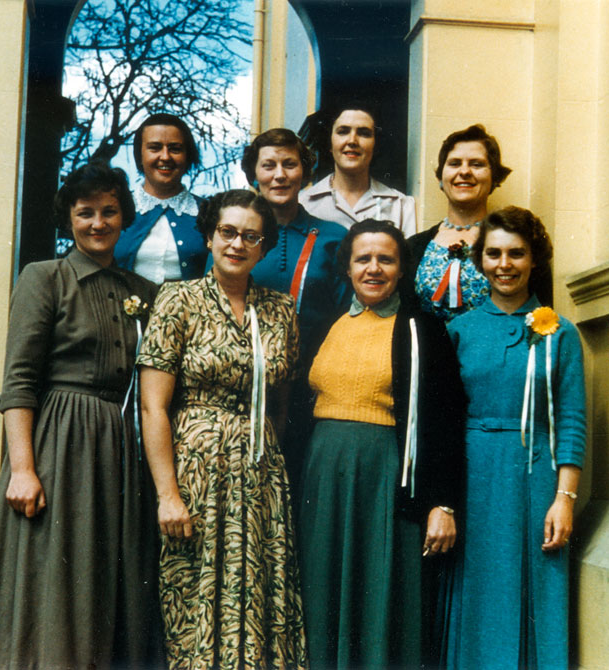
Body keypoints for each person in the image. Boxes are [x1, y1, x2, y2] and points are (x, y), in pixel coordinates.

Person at [0, 161, 162, 669]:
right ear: (69, 219)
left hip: (120, 450)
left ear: (124, 217)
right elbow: (20, 380)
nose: (98, 223)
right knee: (54, 575)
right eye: (86, 213)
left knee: (107, 578)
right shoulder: (45, 278)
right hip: (60, 443)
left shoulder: (144, 293)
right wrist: (23, 468)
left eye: (110, 212)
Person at [138, 189, 308, 669]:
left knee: (260, 592)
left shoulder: (280, 310)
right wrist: (167, 493)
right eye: (227, 232)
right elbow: (154, 408)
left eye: (250, 236)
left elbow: (280, 404)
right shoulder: (178, 300)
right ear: (210, 236)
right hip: (195, 472)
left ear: (263, 245)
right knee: (195, 595)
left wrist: (260, 455)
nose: (237, 244)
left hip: (260, 475)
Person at [298, 219, 466, 668]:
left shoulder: (421, 330)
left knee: (381, 596)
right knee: (324, 591)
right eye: (363, 259)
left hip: (384, 478)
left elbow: (446, 421)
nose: (374, 269)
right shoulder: (329, 324)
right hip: (324, 474)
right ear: (347, 267)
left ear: (402, 268)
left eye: (386, 259)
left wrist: (443, 503)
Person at [445, 206, 585, 669]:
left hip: (536, 474)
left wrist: (564, 497)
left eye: (517, 254)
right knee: (480, 587)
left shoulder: (559, 332)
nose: (504, 264)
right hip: (473, 473)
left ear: (534, 259)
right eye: (494, 253)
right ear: (480, 260)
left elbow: (572, 418)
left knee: (536, 584)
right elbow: (443, 420)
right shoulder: (458, 330)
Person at [242, 127, 350, 352]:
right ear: (254, 176)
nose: (279, 175)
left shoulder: (334, 237)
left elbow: (347, 316)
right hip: (242, 366)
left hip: (315, 366)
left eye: (289, 165)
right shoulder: (235, 237)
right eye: (268, 165)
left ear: (305, 174)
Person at [406, 124, 512, 322]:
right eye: (454, 163)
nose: (464, 171)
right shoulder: (414, 247)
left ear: (494, 177)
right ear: (440, 177)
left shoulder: (512, 244)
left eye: (477, 164)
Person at [114, 113, 207, 283]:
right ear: (140, 155)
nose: (165, 156)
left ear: (187, 156)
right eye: (155, 147)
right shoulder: (116, 209)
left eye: (175, 149)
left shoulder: (208, 212)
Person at [300, 104, 417, 237]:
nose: (352, 141)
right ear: (330, 143)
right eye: (343, 131)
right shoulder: (304, 203)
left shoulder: (400, 206)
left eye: (364, 133)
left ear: (376, 145)